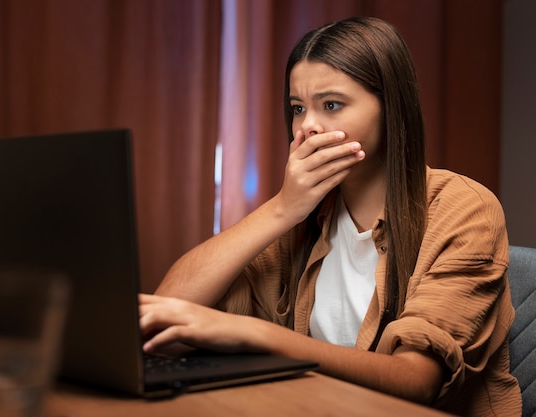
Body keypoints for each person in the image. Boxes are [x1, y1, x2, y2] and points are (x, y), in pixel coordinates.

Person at [139, 16, 522, 416]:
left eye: (332, 105)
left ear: (390, 107)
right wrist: (281, 209)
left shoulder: (465, 208)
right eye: (298, 108)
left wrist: (256, 335)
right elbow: (162, 322)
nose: (307, 127)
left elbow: (414, 381)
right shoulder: (304, 214)